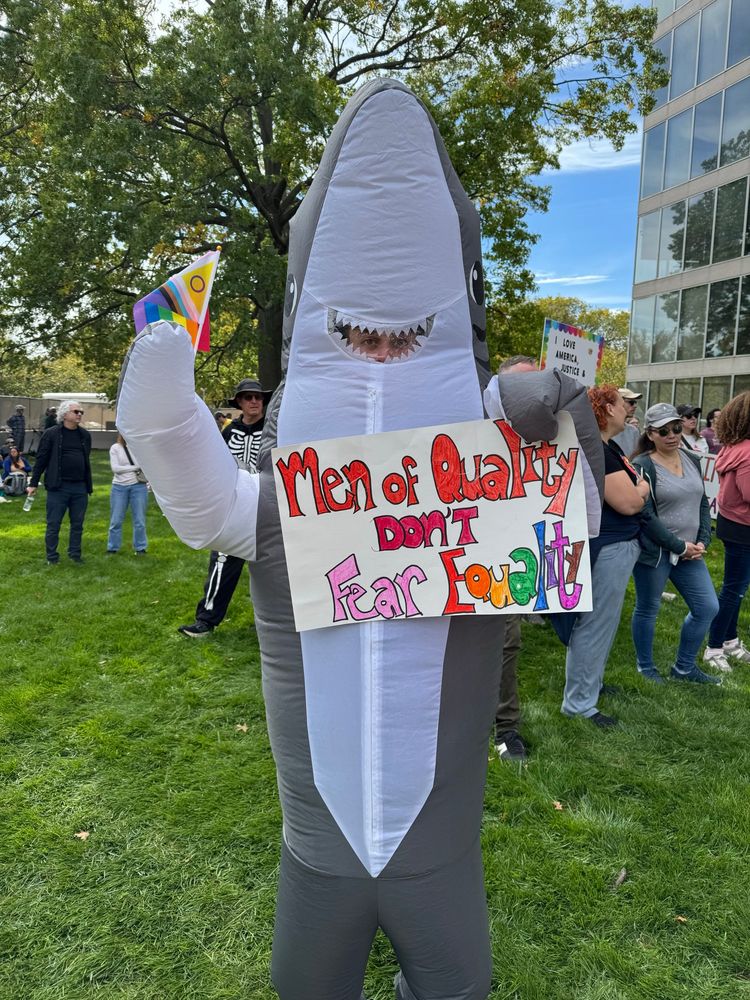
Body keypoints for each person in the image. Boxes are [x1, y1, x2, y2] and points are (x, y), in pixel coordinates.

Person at [118, 80, 606, 1000]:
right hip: (318, 852)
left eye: (407, 342)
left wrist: (548, 431)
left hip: (440, 853)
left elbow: (566, 536)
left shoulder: (489, 496)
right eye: (357, 341)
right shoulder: (284, 509)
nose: (381, 364)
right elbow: (209, 507)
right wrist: (163, 408)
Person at [562, 385, 649, 727]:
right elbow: (628, 502)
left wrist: (637, 489)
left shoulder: (607, 447)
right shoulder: (597, 449)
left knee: (603, 623)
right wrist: (643, 488)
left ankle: (591, 686)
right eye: (622, 403)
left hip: (614, 545)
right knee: (594, 625)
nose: (628, 409)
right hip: (607, 546)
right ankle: (579, 705)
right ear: (607, 409)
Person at [630, 403, 719, 684]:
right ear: (650, 434)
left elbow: (702, 501)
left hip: (690, 552)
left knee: (707, 607)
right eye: (663, 431)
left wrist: (702, 539)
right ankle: (645, 667)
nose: (672, 435)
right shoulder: (642, 465)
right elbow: (644, 514)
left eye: (676, 428)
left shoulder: (691, 458)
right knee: (648, 608)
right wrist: (678, 545)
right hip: (656, 552)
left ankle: (684, 668)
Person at [177, 379, 270, 637]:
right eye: (248, 397)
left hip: (268, 506)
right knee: (222, 560)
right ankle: (206, 621)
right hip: (236, 506)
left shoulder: (273, 430)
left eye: (258, 397)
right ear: (239, 402)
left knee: (275, 565)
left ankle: (278, 620)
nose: (254, 401)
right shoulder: (228, 432)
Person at [492, 354, 540, 762]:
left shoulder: (551, 438)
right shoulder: (469, 428)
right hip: (451, 552)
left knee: (507, 641)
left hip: (510, 558)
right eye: (517, 385)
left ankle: (505, 727)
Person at [703, 392, 750, 671]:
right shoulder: (747, 450)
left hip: (732, 523)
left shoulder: (734, 446)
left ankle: (730, 641)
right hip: (742, 527)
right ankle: (714, 648)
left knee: (737, 587)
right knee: (734, 590)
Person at [26, 401, 93, 564]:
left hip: (80, 486)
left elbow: (85, 458)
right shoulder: (51, 434)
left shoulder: (84, 435)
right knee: (54, 523)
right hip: (58, 487)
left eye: (81, 412)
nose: (79, 414)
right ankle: (52, 557)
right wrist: (33, 483)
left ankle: (75, 554)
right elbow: (41, 459)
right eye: (76, 411)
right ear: (64, 414)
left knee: (77, 524)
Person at [107, 433, 149, 555]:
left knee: (139, 520)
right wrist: (135, 467)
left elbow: (146, 466)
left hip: (139, 486)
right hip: (119, 487)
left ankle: (140, 548)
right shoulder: (115, 448)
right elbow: (115, 469)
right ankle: (112, 548)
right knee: (116, 520)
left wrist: (129, 467)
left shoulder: (140, 448)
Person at [611, 387, 642, 455]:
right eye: (631, 402)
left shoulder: (634, 431)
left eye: (635, 402)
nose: (635, 406)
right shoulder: (605, 430)